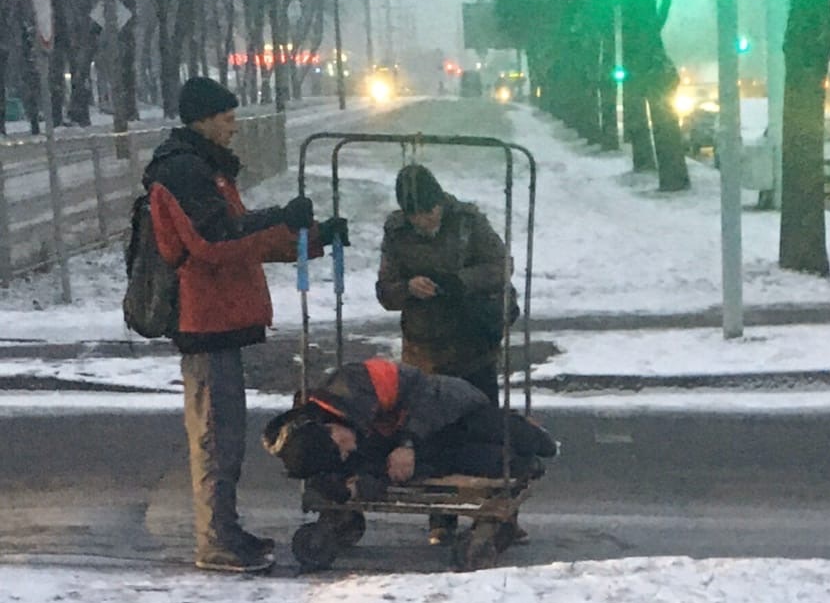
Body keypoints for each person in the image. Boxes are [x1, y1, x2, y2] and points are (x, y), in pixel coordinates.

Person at [144, 75, 348, 573]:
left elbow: (241, 237)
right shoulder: (183, 172)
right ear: (204, 119)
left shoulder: (205, 170)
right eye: (228, 119)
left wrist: (312, 236)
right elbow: (215, 243)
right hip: (203, 321)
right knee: (216, 437)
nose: (234, 128)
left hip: (222, 321)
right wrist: (284, 217)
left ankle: (226, 530)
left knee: (226, 436)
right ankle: (216, 541)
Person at [376, 164, 517, 542]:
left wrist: (459, 282)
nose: (426, 220)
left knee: (483, 430)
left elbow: (501, 267)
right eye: (418, 215)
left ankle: (497, 512)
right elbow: (385, 290)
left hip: (474, 344)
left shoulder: (468, 221)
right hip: (426, 350)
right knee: (431, 433)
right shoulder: (396, 233)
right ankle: (441, 517)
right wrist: (408, 287)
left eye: (431, 211)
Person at [263, 358, 555, 507]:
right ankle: (518, 461)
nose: (348, 450)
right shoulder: (334, 442)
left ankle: (530, 434)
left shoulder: (353, 384)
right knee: (481, 461)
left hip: (448, 405)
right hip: (423, 444)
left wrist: (407, 443)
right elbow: (368, 465)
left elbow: (424, 392)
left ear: (327, 428)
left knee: (525, 440)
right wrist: (355, 486)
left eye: (341, 445)